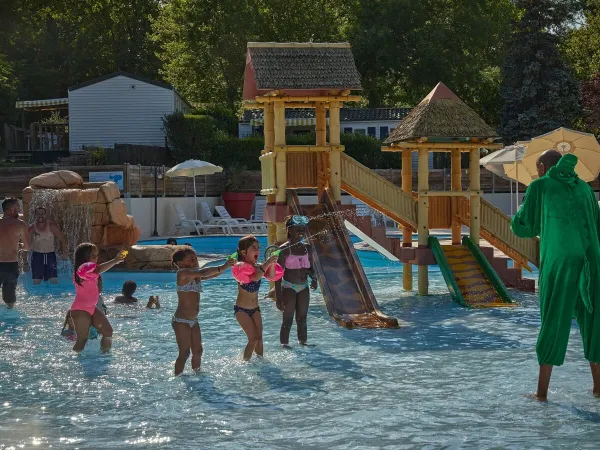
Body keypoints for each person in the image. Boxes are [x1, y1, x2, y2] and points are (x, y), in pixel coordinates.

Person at [511, 150, 600, 400]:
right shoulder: (584, 188)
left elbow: (523, 226)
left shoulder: (539, 186)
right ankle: (598, 387)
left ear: (541, 167)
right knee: (594, 322)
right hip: (592, 259)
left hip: (559, 260)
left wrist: (522, 209)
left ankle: (541, 394)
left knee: (552, 318)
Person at [172, 248, 233, 375]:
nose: (195, 261)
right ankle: (177, 377)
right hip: (181, 321)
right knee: (184, 353)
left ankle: (197, 375)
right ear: (181, 263)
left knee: (198, 351)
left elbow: (212, 274)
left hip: (194, 321)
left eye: (195, 258)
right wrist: (222, 266)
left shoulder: (195, 274)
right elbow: (204, 272)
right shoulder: (182, 273)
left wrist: (227, 266)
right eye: (191, 259)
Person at [69, 243, 126, 353]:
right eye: (93, 255)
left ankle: (104, 358)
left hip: (92, 308)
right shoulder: (81, 272)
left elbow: (97, 270)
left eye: (97, 254)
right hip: (80, 309)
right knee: (82, 340)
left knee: (108, 332)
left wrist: (115, 260)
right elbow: (98, 269)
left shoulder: (92, 271)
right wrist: (115, 260)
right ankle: (73, 362)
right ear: (85, 257)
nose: (97, 257)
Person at [233, 235, 278, 361]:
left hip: (255, 309)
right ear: (243, 252)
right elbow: (254, 278)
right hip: (241, 310)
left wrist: (273, 263)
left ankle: (261, 361)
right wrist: (268, 262)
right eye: (253, 248)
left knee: (259, 338)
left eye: (258, 248)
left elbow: (272, 276)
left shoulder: (259, 266)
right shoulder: (240, 268)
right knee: (252, 339)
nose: (257, 251)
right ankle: (245, 363)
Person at [275, 216, 318, 347]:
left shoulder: (307, 249)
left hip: (303, 287)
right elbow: (277, 275)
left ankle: (303, 342)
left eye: (303, 229)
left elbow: (311, 268)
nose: (301, 232)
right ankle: (284, 345)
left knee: (302, 318)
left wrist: (314, 278)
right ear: (289, 230)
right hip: (289, 287)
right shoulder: (284, 250)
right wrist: (278, 297)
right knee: (287, 319)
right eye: (298, 229)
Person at [0, 198, 30, 308]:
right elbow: (27, 247)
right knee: (10, 300)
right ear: (12, 209)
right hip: (11, 266)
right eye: (18, 207)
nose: (20, 209)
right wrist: (20, 245)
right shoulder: (20, 224)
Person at [27, 207, 68, 285]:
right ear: (35, 215)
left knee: (53, 280)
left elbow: (62, 238)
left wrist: (64, 252)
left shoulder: (51, 225)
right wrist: (25, 262)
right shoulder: (32, 228)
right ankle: (36, 297)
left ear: (45, 214)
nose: (40, 215)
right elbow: (27, 244)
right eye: (38, 213)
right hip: (37, 256)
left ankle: (55, 296)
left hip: (50, 256)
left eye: (42, 213)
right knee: (36, 281)